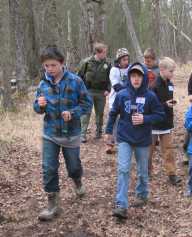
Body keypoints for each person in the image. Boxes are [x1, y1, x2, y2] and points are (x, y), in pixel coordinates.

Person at [33, 45, 92, 221]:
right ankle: (53, 204)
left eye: (53, 65)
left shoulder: (75, 81)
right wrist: (39, 105)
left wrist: (72, 113)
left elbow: (87, 104)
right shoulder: (43, 84)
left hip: (71, 133)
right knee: (49, 168)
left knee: (73, 166)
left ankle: (77, 180)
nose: (49, 69)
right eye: (46, 66)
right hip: (50, 133)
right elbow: (37, 108)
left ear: (61, 63)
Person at [105, 62, 165, 219]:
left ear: (144, 77)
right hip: (124, 137)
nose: (136, 79)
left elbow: (160, 115)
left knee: (142, 171)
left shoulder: (150, 96)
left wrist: (145, 118)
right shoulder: (122, 94)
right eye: (133, 76)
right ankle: (121, 204)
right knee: (123, 169)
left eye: (139, 76)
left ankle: (142, 194)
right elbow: (113, 113)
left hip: (143, 139)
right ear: (129, 77)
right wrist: (108, 132)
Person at [149, 57, 182, 185]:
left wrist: (170, 104)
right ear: (162, 70)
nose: (173, 74)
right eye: (171, 71)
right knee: (148, 150)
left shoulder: (170, 85)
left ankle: (172, 174)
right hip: (153, 124)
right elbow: (151, 105)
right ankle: (146, 172)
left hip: (166, 123)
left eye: (173, 71)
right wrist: (164, 104)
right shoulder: (153, 86)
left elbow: (168, 101)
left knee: (168, 150)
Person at [77, 42, 111, 143]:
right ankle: (82, 134)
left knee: (100, 113)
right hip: (88, 91)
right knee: (86, 112)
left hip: (101, 92)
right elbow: (79, 77)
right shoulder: (86, 62)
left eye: (106, 52)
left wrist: (108, 89)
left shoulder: (107, 64)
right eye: (104, 52)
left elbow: (110, 78)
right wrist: (81, 90)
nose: (105, 54)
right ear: (97, 52)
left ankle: (99, 132)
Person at [106, 48, 131, 154]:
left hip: (128, 100)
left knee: (126, 120)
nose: (126, 62)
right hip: (115, 99)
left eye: (127, 59)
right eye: (124, 59)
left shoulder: (131, 68)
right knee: (113, 121)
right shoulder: (114, 70)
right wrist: (128, 88)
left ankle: (125, 142)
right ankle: (109, 144)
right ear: (119, 60)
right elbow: (116, 86)